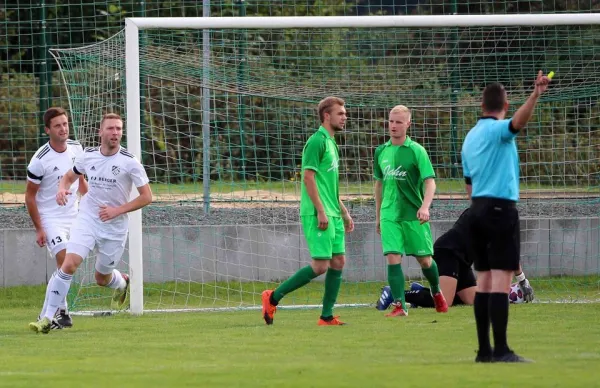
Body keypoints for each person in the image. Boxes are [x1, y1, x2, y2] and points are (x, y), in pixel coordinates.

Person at [29, 113, 153, 334]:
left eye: (118, 129)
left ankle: (122, 282)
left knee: (101, 277)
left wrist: (117, 210)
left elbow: (147, 197)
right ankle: (48, 317)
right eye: (110, 129)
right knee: (68, 264)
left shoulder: (130, 162)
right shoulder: (88, 156)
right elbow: (69, 176)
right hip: (86, 218)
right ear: (100, 132)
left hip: (114, 226)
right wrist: (61, 188)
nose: (115, 133)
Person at [461, 71, 550, 362]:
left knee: (483, 282)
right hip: (500, 210)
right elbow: (518, 124)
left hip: (476, 211)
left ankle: (483, 351)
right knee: (501, 280)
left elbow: (469, 185)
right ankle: (501, 350)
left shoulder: (470, 137)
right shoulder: (496, 130)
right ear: (505, 104)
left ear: (481, 105)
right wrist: (536, 94)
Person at [261, 96, 354, 326]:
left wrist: (343, 212)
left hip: (332, 212)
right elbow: (308, 178)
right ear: (326, 116)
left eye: (344, 113)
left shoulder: (332, 143)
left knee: (339, 261)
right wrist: (321, 211)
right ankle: (272, 297)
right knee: (321, 265)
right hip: (318, 213)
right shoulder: (316, 142)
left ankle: (326, 316)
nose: (345, 117)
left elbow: (328, 185)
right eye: (340, 113)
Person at [376, 209, 535, 310]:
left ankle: (424, 292)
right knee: (446, 301)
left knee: (472, 299)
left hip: (463, 261)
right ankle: (395, 293)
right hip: (448, 252)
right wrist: (522, 280)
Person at [373, 105, 447, 318]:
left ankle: (436, 291)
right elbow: (379, 185)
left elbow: (430, 183)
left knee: (425, 260)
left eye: (398, 122)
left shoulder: (417, 150)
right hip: (389, 214)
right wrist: (378, 216)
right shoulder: (381, 151)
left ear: (408, 124)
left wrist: (425, 206)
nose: (393, 126)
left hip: (413, 214)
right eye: (391, 121)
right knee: (393, 257)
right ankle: (400, 306)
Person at [25, 107, 88, 329]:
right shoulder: (39, 160)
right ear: (47, 130)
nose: (63, 129)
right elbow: (30, 197)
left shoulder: (77, 148)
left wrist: (90, 205)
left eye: (65, 124)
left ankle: (58, 312)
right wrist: (39, 229)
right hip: (50, 217)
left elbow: (81, 182)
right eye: (57, 125)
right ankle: (57, 313)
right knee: (63, 257)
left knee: (70, 264)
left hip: (75, 215)